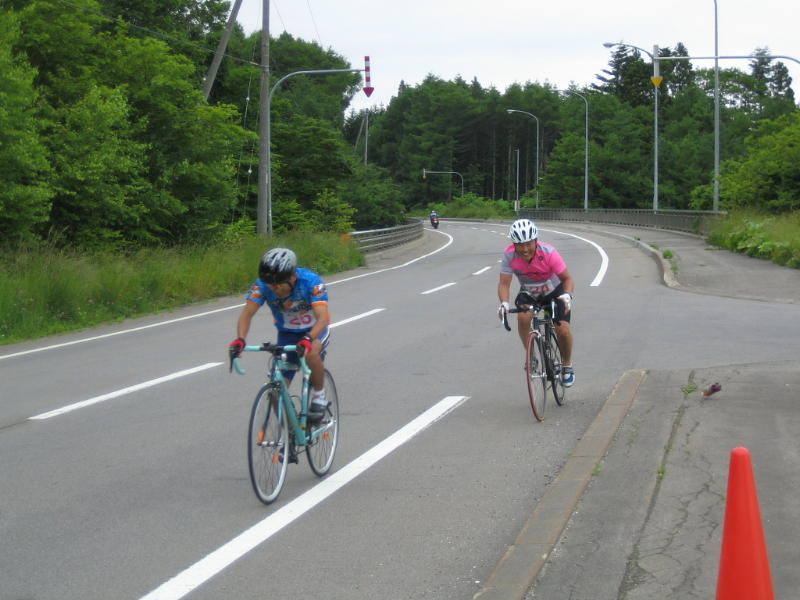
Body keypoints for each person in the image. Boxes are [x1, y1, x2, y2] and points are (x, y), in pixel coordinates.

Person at [228, 247, 331, 421]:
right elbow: (246, 315)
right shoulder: (262, 286)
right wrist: (240, 340)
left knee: (311, 352)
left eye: (279, 284)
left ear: (292, 277)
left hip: (314, 331)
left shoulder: (311, 282)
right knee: (276, 392)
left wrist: (308, 338)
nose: (274, 288)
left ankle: (319, 396)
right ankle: (290, 432)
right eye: (270, 284)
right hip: (287, 334)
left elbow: (322, 318)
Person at [497, 218, 575, 386]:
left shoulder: (549, 253)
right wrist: (504, 303)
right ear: (514, 244)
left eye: (528, 244)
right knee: (523, 318)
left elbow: (567, 279)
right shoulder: (509, 255)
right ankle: (531, 357)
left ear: (536, 241)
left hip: (555, 292)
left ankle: (567, 365)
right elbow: (504, 283)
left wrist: (568, 295)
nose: (525, 249)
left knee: (562, 329)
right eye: (520, 245)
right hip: (530, 292)